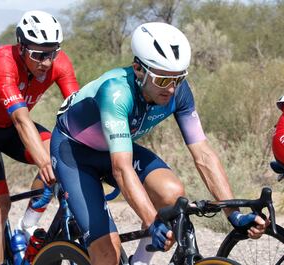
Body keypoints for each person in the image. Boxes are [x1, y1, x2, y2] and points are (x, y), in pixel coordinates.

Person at [49, 22, 268, 265]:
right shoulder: (116, 92)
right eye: (163, 80)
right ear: (138, 69)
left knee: (172, 196)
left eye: (179, 78)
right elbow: (121, 168)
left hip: (113, 149)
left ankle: (140, 261)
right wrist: (153, 221)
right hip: (74, 154)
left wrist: (234, 214)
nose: (173, 88)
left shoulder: (179, 91)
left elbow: (203, 155)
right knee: (107, 254)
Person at [0, 10, 79, 265]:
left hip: (11, 128)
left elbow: (77, 112)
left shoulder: (60, 63)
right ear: (21, 47)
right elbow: (21, 119)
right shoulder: (1, 62)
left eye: (52, 52)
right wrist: (45, 164)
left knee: (62, 155)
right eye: (38, 54)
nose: (46, 62)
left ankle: (25, 230)